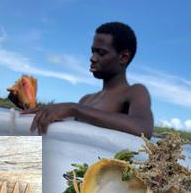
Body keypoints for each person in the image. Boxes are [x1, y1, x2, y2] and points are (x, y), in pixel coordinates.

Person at [22, 22, 154, 136]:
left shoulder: (134, 91)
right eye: (93, 51)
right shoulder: (86, 99)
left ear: (123, 57)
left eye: (101, 52)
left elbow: (143, 128)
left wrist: (73, 109)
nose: (93, 58)